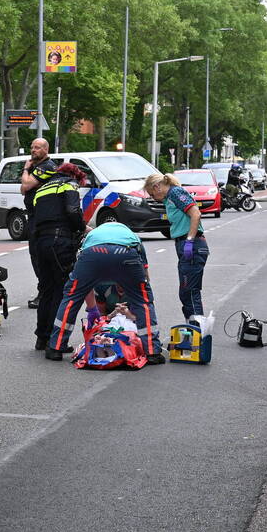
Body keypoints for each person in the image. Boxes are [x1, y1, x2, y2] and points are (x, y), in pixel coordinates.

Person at [45, 220, 164, 363]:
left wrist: (92, 309)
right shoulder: (130, 234)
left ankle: (56, 348)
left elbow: (82, 282)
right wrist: (142, 289)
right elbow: (144, 270)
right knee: (142, 301)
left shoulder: (93, 234)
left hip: (93, 254)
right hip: (125, 253)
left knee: (71, 297)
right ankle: (152, 352)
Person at [30, 162, 86, 352]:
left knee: (46, 291)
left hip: (41, 243)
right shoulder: (69, 184)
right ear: (75, 176)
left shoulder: (41, 189)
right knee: (61, 291)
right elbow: (72, 210)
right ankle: (56, 341)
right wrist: (80, 227)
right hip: (60, 241)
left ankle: (41, 338)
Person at [144, 172, 209, 322]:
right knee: (186, 292)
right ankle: (193, 328)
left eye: (152, 194)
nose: (153, 198)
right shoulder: (170, 197)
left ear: (157, 187)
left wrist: (189, 241)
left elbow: (195, 214)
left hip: (192, 245)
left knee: (190, 291)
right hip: (187, 245)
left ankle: (196, 331)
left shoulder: (175, 193)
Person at [21, 138, 58, 309]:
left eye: (37, 147)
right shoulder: (37, 167)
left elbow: (26, 185)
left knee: (39, 256)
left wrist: (26, 169)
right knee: (35, 255)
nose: (33, 150)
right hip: (34, 216)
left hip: (41, 217)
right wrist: (28, 175)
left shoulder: (47, 166)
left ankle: (45, 292)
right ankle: (46, 290)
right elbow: (23, 188)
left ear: (46, 149)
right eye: (32, 147)